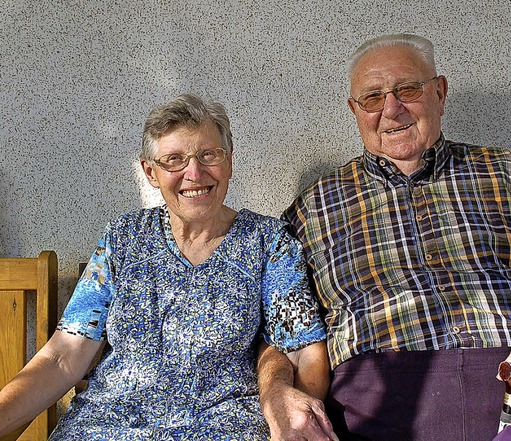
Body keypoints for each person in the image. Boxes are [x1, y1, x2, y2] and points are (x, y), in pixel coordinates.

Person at [282, 34, 511, 440]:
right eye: (372, 98)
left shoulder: (504, 172)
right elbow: (281, 329)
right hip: (379, 407)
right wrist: (278, 392)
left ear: (439, 92)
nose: (391, 109)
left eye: (407, 89)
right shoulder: (312, 208)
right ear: (354, 110)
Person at [0, 93, 336, 440]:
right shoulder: (123, 238)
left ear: (229, 162)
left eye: (209, 155)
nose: (194, 173)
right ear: (151, 172)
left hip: (223, 426)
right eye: (174, 159)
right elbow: (63, 357)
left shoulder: (269, 242)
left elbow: (304, 354)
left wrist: (292, 420)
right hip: (106, 426)